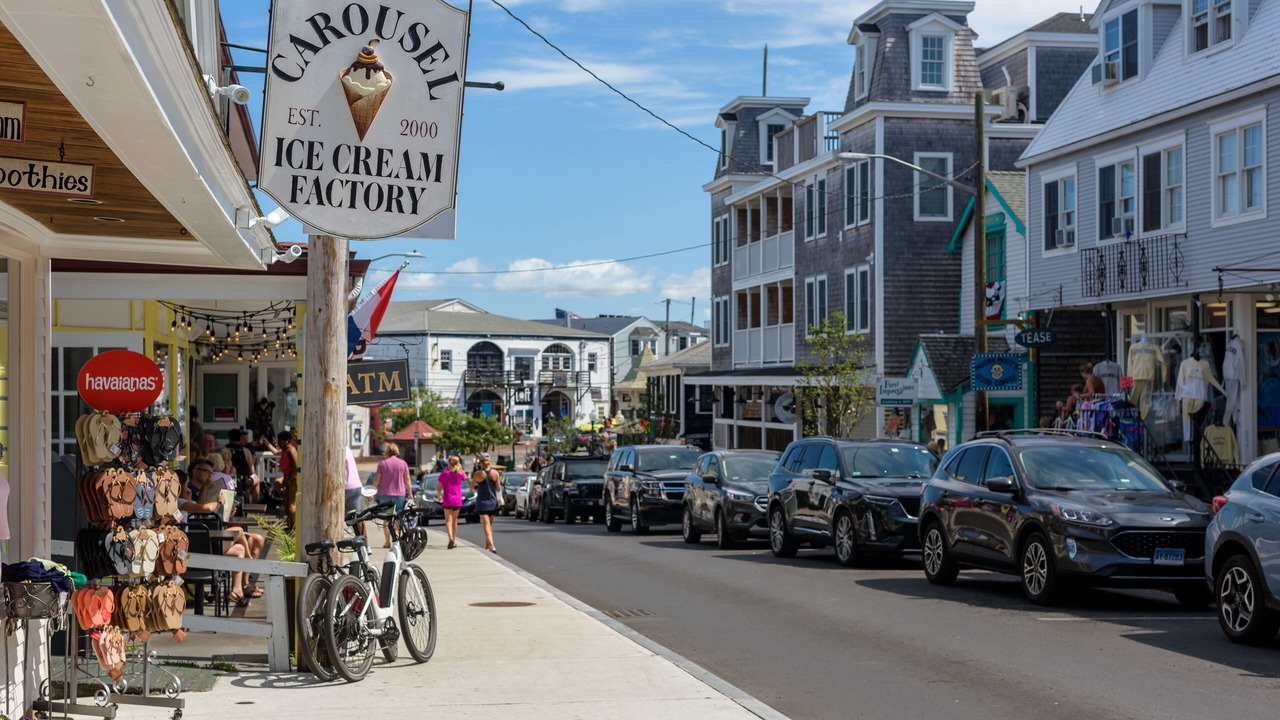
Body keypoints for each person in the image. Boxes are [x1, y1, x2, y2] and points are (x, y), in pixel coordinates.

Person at [182, 458, 265, 606]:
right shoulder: (185, 497)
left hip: (211, 538)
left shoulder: (203, 490)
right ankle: (250, 563)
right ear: (195, 472)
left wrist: (227, 511)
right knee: (239, 531)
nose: (210, 475)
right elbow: (203, 510)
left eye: (211, 472)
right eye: (206, 471)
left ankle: (237, 590)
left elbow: (213, 515)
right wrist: (219, 502)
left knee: (240, 548)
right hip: (199, 545)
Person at [372, 443, 412, 548]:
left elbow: (377, 480)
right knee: (397, 517)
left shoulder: (382, 464)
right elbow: (407, 480)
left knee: (387, 517)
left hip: (384, 494)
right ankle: (396, 538)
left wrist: (371, 492)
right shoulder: (403, 464)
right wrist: (410, 494)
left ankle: (387, 541)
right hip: (399, 494)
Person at [470, 453, 502, 553]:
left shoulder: (478, 474)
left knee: (486, 525)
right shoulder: (495, 473)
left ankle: (492, 545)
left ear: (480, 462)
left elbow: (471, 488)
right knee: (490, 524)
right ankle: (487, 545)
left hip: (482, 502)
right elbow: (498, 488)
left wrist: (476, 488)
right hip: (493, 501)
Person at [438, 455, 467, 549]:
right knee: (455, 520)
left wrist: (439, 495)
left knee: (448, 520)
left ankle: (450, 537)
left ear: (449, 463)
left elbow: (439, 487)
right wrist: (460, 468)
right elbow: (465, 477)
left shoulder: (444, 473)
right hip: (457, 499)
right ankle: (454, 539)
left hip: (447, 499)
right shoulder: (459, 473)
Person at [225, 429, 260, 503]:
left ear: (229, 438)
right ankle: (253, 506)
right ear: (240, 438)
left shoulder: (223, 449)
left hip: (225, 479)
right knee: (257, 479)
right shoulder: (245, 451)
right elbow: (252, 471)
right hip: (241, 481)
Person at [277, 431, 299, 528]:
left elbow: (295, 467)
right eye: (279, 441)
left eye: (281, 441)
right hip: (287, 480)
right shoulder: (284, 451)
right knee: (286, 503)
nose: (279, 443)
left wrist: (290, 480)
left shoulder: (290, 450)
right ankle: (290, 524)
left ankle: (294, 529)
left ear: (288, 441)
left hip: (293, 480)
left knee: (291, 505)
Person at [343, 447, 366, 537]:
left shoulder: (336, 448)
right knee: (357, 518)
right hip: (356, 485)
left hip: (344, 486)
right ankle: (366, 547)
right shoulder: (348, 449)